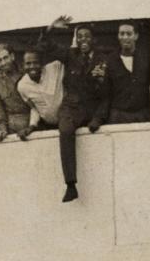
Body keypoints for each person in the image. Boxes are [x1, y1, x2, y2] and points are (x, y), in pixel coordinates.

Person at [37, 15, 108, 202]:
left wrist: (98, 117)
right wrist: (50, 28)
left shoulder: (103, 58)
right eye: (80, 37)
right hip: (72, 106)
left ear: (93, 40)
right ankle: (70, 185)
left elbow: (107, 93)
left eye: (87, 37)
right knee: (65, 130)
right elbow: (45, 46)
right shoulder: (70, 54)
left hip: (92, 107)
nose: (83, 40)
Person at [102, 20, 150, 124]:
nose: (125, 37)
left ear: (136, 36)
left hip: (141, 116)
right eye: (122, 34)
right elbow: (106, 92)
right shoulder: (111, 60)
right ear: (118, 36)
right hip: (118, 116)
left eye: (129, 34)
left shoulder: (146, 58)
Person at [16, 48, 65, 140]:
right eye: (28, 63)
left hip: (67, 121)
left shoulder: (55, 68)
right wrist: (32, 126)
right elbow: (34, 108)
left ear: (42, 63)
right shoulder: (22, 86)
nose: (32, 66)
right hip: (48, 126)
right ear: (23, 66)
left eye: (35, 62)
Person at [0, 43, 31, 141]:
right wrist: (3, 130)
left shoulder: (26, 71)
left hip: (32, 123)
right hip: (11, 127)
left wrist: (32, 126)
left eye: (5, 58)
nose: (3, 62)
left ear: (12, 56)